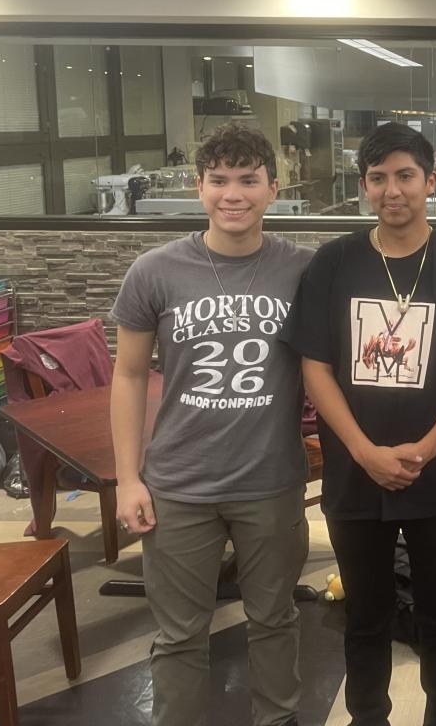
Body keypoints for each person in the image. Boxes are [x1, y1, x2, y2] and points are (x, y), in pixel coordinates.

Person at [281, 123, 436, 726]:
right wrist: (363, 451)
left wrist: (428, 447)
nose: (392, 190)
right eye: (378, 178)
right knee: (365, 613)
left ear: (432, 180)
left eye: (406, 175)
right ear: (364, 185)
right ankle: (367, 717)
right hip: (355, 476)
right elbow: (315, 366)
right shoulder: (334, 262)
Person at [110, 123, 313, 726]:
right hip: (178, 484)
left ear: (273, 188)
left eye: (248, 180)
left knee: (275, 620)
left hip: (271, 481)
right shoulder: (154, 271)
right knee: (178, 635)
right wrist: (128, 479)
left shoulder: (305, 270)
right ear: (198, 187)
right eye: (219, 180)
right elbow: (127, 376)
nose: (233, 194)